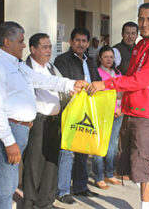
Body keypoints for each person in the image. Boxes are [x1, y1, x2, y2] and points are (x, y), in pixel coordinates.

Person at [0, 21, 87, 209]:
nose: (24, 45)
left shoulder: (17, 65)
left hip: (19, 129)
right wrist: (8, 141)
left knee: (9, 185)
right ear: (6, 42)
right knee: (2, 191)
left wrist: (70, 84)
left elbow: (42, 79)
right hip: (5, 132)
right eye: (20, 41)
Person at [88, 3, 149, 209]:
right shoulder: (140, 45)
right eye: (141, 19)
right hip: (130, 112)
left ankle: (147, 203)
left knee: (145, 168)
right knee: (131, 167)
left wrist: (106, 84)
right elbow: (128, 78)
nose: (144, 24)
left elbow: (139, 80)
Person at [55, 27, 101, 205]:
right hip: (70, 109)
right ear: (71, 42)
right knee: (67, 151)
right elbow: (64, 84)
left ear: (88, 43)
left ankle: (81, 186)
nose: (81, 44)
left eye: (84, 41)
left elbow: (96, 79)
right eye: (77, 40)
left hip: (87, 110)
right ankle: (63, 190)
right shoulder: (62, 60)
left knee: (83, 149)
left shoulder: (90, 61)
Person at [22, 33, 64, 209]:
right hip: (38, 121)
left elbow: (60, 86)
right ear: (33, 49)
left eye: (50, 47)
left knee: (52, 161)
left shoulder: (51, 67)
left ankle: (46, 201)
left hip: (54, 121)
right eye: (45, 47)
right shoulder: (26, 69)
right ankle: (30, 202)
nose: (49, 50)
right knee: (34, 163)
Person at [92, 46, 123, 190]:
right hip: (103, 113)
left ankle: (109, 173)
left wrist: (120, 108)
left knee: (113, 145)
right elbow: (100, 95)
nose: (109, 59)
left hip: (118, 113)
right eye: (106, 57)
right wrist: (114, 95)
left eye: (111, 57)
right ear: (100, 58)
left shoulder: (117, 73)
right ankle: (98, 176)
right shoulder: (97, 74)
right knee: (100, 145)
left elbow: (123, 92)